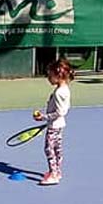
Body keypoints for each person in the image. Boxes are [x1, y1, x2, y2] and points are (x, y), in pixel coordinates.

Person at [34, 57, 74, 186]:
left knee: (49, 149)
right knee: (57, 149)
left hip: (55, 126)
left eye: (50, 75)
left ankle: (54, 175)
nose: (48, 78)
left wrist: (44, 117)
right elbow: (65, 108)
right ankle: (57, 171)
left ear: (58, 75)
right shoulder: (65, 89)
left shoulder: (59, 93)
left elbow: (61, 112)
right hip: (59, 125)